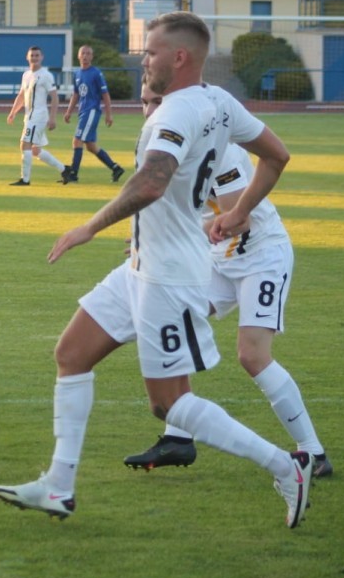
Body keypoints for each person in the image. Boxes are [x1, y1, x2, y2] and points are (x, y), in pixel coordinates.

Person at [0, 11, 316, 529]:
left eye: (151, 52)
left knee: (169, 406)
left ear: (179, 57)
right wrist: (236, 213)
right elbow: (276, 156)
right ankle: (58, 485)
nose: (144, 61)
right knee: (72, 354)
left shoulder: (173, 115)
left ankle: (287, 467)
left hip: (168, 276)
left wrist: (87, 228)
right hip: (144, 265)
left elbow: (151, 183)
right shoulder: (218, 101)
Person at [123, 80, 332, 478]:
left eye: (157, 102)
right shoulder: (166, 144)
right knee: (175, 321)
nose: (150, 111)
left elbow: (238, 218)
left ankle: (313, 452)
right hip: (218, 256)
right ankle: (178, 438)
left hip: (260, 255)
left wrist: (170, 235)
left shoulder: (219, 148)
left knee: (252, 355)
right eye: (144, 103)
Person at [61, 45, 123, 184]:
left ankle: (73, 174)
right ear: (78, 56)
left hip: (92, 111)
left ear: (92, 57)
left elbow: (105, 94)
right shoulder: (77, 73)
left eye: (88, 53)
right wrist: (69, 111)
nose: (85, 56)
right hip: (83, 112)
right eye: (83, 53)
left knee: (77, 141)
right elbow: (76, 94)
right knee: (91, 146)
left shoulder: (96, 73)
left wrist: (109, 114)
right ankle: (115, 168)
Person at [5, 45, 66, 186]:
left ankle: (25, 180)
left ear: (42, 57)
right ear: (27, 57)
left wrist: (52, 118)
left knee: (24, 144)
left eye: (37, 55)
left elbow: (55, 97)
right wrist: (13, 112)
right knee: (35, 150)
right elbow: (21, 95)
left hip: (38, 116)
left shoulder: (46, 75)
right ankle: (64, 169)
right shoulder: (26, 75)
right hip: (29, 116)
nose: (34, 58)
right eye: (32, 55)